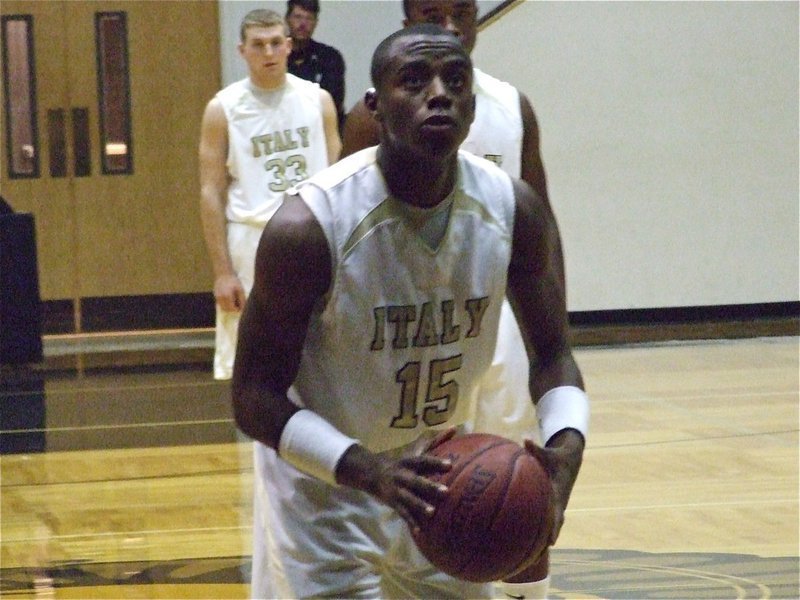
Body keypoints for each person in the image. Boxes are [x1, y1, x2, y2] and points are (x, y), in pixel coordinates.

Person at [232, 24, 588, 599]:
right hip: (328, 480)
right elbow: (253, 398)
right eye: (415, 79)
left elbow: (554, 356)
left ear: (474, 106)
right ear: (374, 107)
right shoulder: (308, 229)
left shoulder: (512, 209)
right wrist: (370, 473)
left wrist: (566, 451)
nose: (439, 92)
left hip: (445, 478)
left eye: (456, 80)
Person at [341, 1, 564, 594]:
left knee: (514, 474)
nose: (450, 27)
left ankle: (524, 590)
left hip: (497, 321)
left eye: (460, 12)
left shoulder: (512, 106)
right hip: (407, 330)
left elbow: (540, 214)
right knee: (437, 478)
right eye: (432, 14)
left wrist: (557, 327)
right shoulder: (377, 111)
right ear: (408, 15)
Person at [199, 8, 341, 381]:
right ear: (241, 50)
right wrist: (221, 272)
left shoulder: (318, 101)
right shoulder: (222, 109)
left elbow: (339, 182)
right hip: (251, 240)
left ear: (289, 47)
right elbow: (211, 192)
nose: (268, 52)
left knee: (320, 356)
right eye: (258, 45)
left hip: (312, 238)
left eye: (276, 43)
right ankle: (259, 440)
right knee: (254, 367)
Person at [286, 0, 347, 134]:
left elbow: (333, 104)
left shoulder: (330, 57)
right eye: (298, 17)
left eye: (309, 18)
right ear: (287, 19)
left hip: (323, 131)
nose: (303, 24)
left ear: (316, 23)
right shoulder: (277, 57)